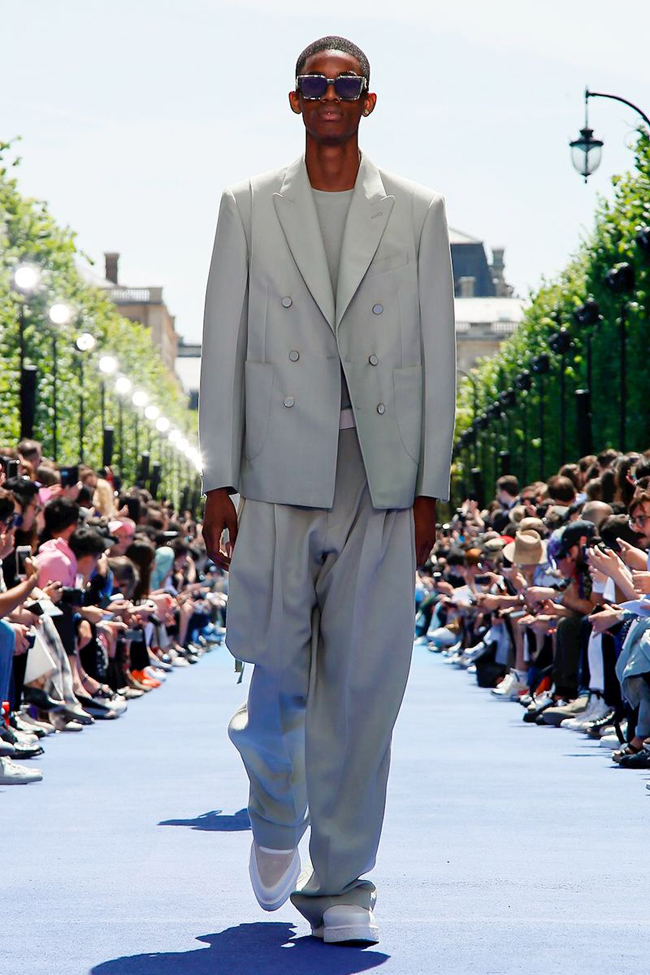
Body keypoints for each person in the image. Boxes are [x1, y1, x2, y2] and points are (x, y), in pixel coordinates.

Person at [199, 35, 456, 944]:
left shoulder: (419, 212)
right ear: (296, 98)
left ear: (369, 101)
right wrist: (218, 475)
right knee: (275, 671)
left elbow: (436, 357)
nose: (333, 95)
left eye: (348, 83)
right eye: (318, 82)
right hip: (274, 469)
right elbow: (223, 344)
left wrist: (431, 481)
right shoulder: (246, 205)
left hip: (380, 473)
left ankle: (343, 880)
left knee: (364, 685)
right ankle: (275, 804)